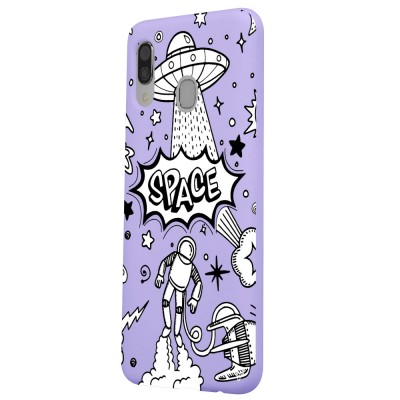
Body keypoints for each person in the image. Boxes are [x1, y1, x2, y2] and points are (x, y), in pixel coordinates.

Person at [155, 236, 202, 347]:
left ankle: (177, 333)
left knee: (179, 310)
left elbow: (198, 282)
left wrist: (194, 298)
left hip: (181, 289)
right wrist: (160, 275)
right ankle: (168, 326)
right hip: (171, 283)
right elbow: (164, 262)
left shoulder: (191, 267)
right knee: (165, 301)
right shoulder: (175, 256)